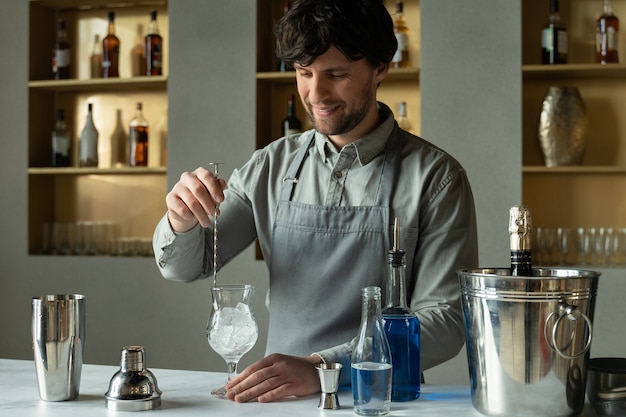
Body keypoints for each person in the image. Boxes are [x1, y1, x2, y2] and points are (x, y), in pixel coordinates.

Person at [153, 0, 478, 404]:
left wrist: (325, 366)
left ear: (381, 68)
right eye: (303, 73)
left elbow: (444, 322)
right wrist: (180, 218)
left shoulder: (436, 177)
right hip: (280, 399)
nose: (316, 93)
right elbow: (187, 267)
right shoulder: (270, 165)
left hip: (382, 399)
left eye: (336, 75)